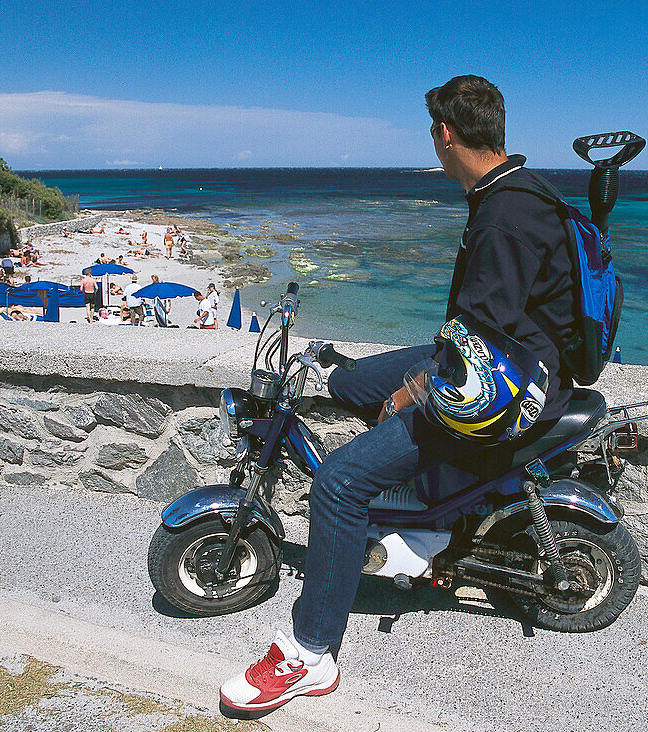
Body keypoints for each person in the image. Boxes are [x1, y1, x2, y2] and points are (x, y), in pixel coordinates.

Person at [219, 75, 578, 715]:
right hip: (511, 363)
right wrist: (398, 380)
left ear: (445, 133)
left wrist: (414, 393)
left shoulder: (504, 218)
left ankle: (310, 653)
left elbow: (482, 341)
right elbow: (485, 324)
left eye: (430, 133)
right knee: (353, 380)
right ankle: (424, 517)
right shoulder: (516, 192)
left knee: (337, 482)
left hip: (507, 390)